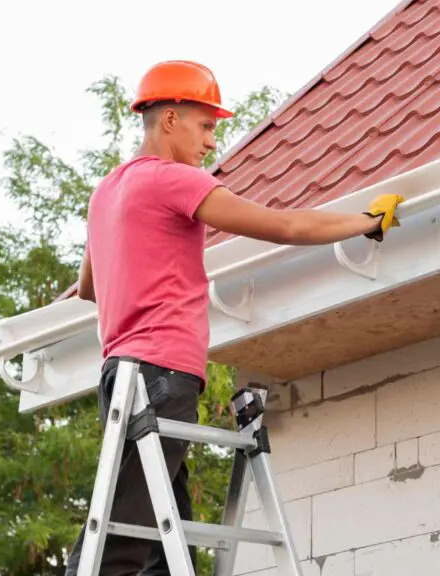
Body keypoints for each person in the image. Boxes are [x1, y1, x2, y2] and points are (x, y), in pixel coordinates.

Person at [64, 60, 404, 575]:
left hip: (121, 377)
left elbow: (90, 288)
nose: (209, 143)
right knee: (119, 544)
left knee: (160, 547)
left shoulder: (106, 192)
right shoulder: (172, 180)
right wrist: (365, 221)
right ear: (171, 118)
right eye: (205, 127)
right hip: (162, 376)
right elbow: (282, 224)